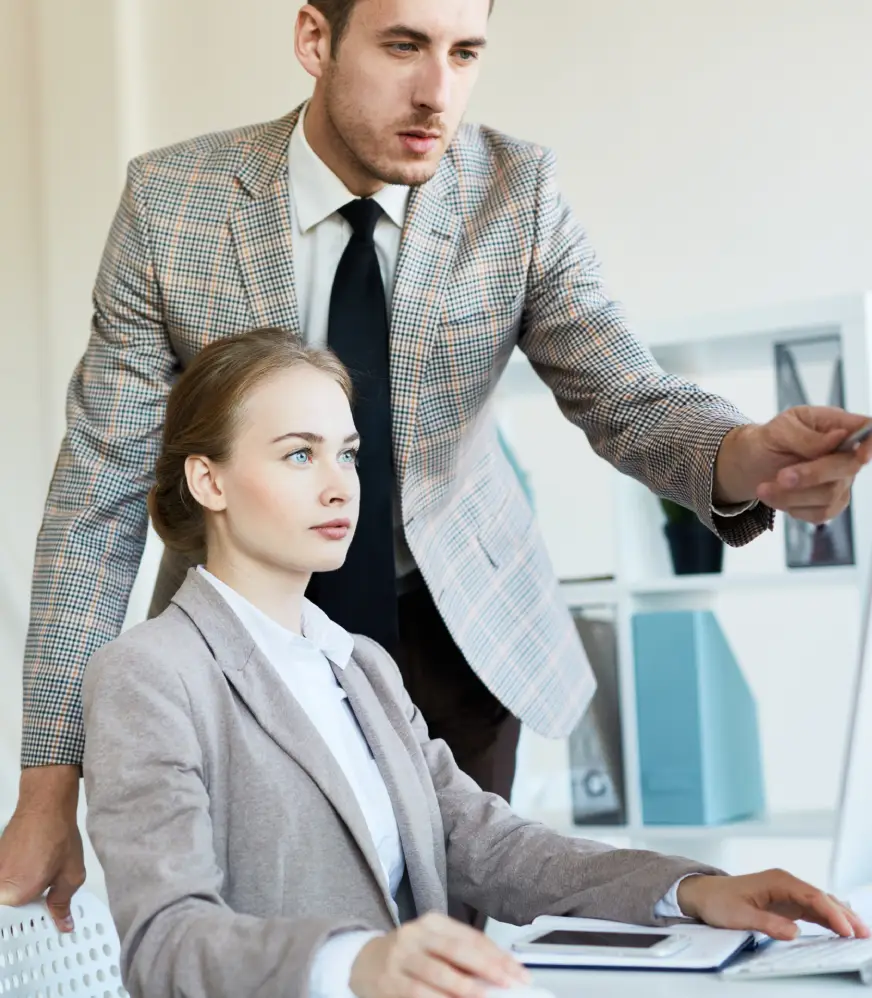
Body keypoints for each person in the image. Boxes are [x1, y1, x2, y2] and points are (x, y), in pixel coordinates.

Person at [3, 0, 871, 931]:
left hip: (455, 629)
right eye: (404, 47)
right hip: (246, 630)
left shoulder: (517, 192)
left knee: (449, 930)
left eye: (465, 53)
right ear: (315, 40)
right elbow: (98, 499)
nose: (437, 93)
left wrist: (745, 458)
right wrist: (49, 784)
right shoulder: (174, 206)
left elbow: (629, 397)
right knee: (261, 927)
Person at [81, 328, 868, 998]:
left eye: (348, 455)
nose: (339, 486)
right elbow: (165, 943)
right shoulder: (151, 674)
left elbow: (486, 845)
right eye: (298, 455)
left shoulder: (356, 666)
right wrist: (359, 963)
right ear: (207, 478)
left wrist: (690, 889)